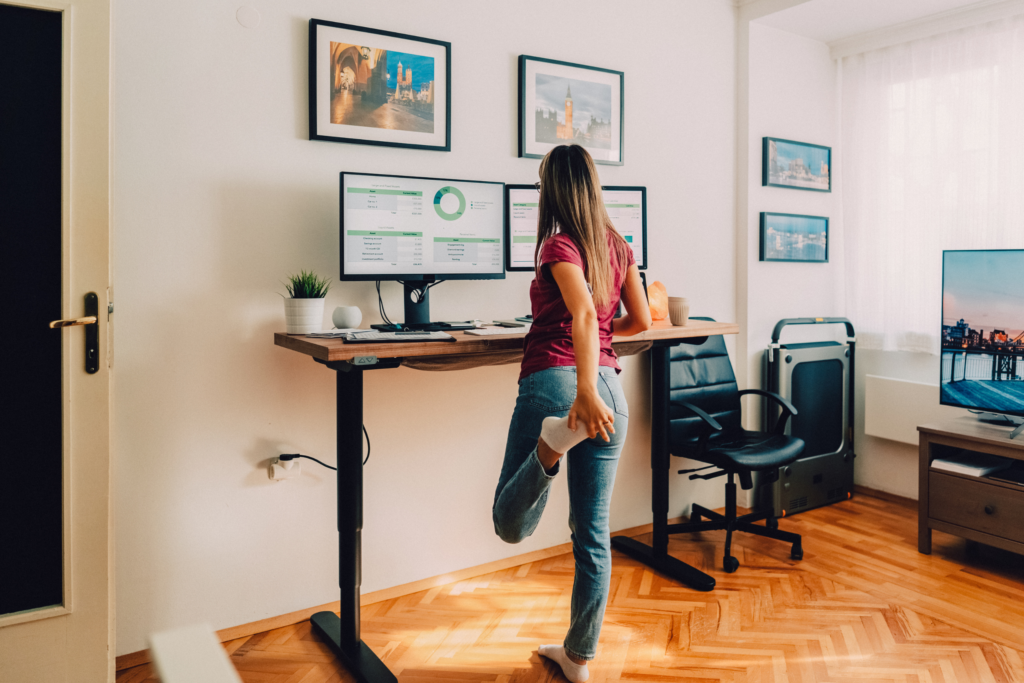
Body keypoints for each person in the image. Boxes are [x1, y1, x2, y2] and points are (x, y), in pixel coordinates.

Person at [491, 144, 652, 682]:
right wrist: (601, 356)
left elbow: (582, 311)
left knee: (509, 525)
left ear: (551, 188)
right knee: (593, 533)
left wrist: (582, 392)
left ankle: (550, 445)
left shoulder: (557, 243)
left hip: (561, 382)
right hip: (613, 389)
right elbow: (641, 321)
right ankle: (579, 659)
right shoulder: (619, 246)